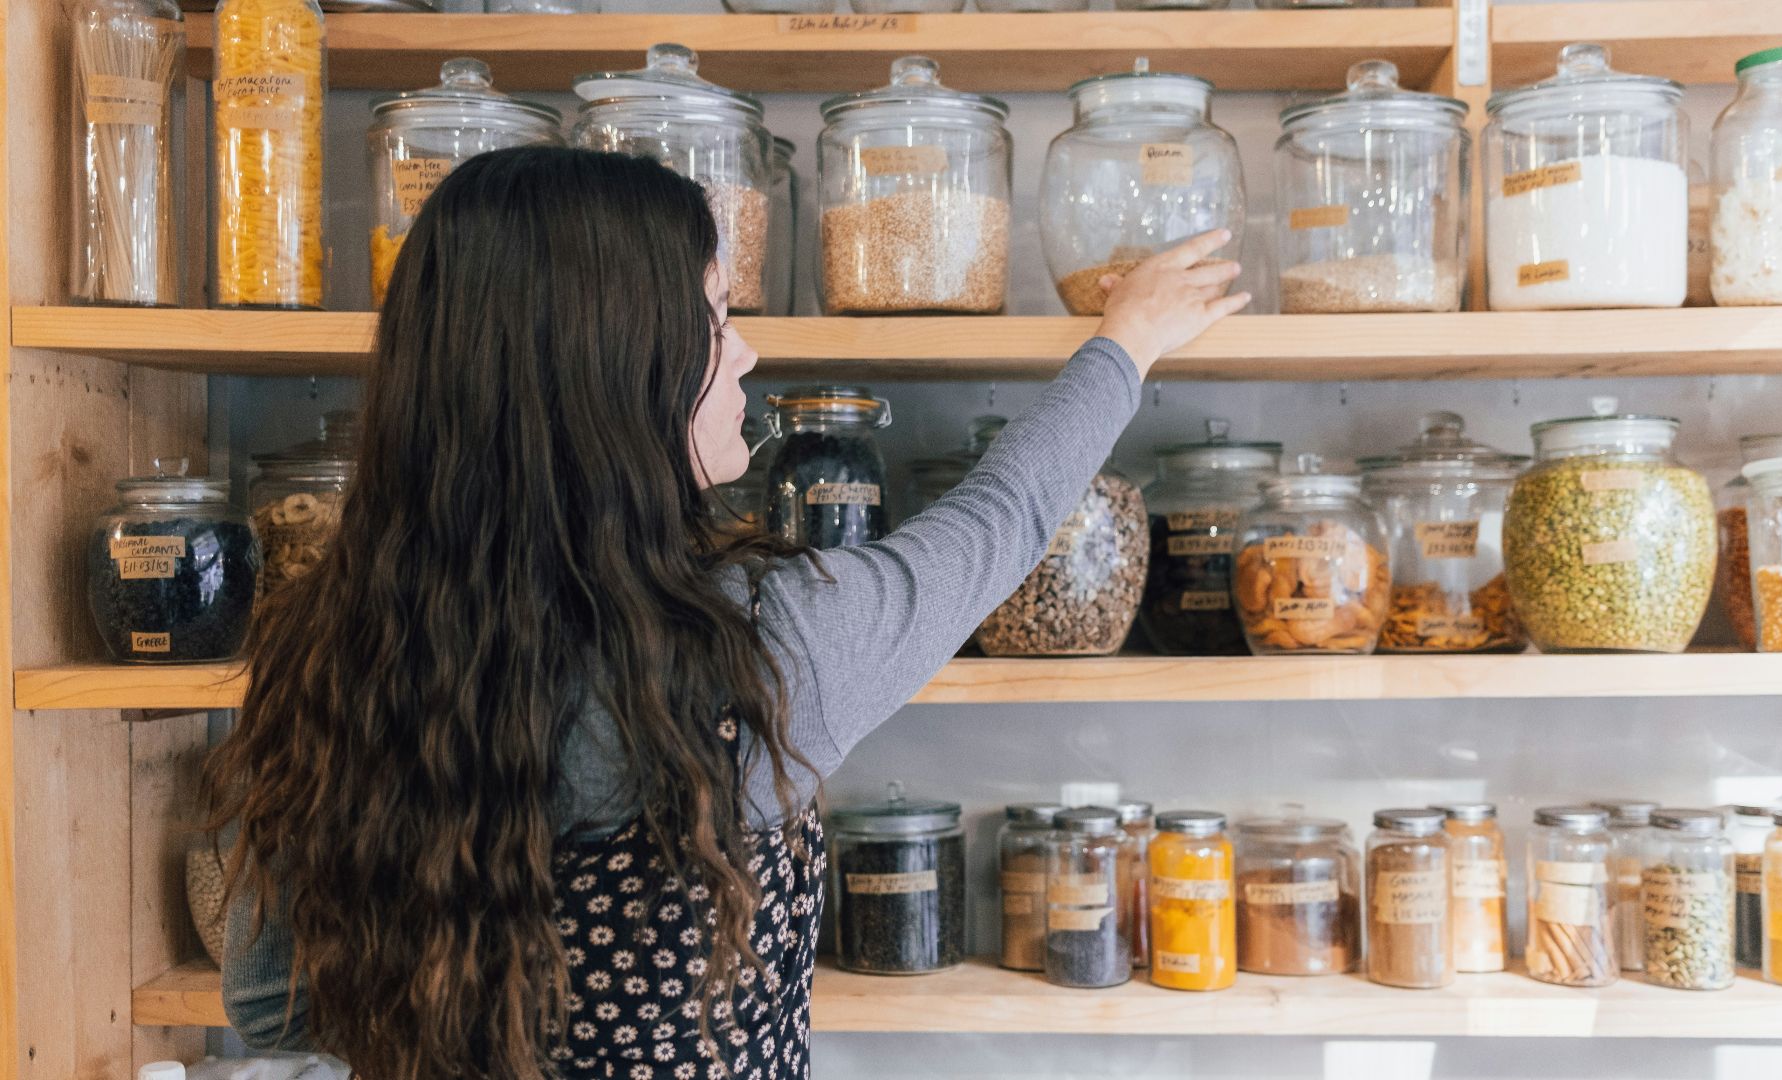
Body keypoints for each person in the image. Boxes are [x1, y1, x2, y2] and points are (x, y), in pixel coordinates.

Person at [209, 145, 1247, 1080]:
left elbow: (268, 1010)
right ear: (618, 372)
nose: (745, 354)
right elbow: (1000, 522)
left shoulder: (332, 645)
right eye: (714, 319)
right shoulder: (752, 655)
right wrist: (1128, 342)